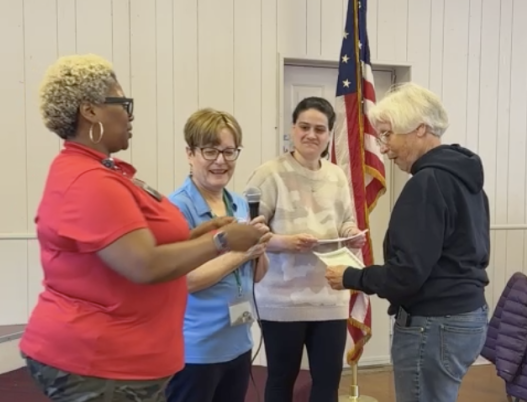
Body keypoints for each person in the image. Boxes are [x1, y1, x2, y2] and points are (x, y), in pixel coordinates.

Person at [19, 54, 269, 402]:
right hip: (99, 360)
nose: (130, 114)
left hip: (129, 357)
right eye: (122, 103)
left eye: (230, 152)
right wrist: (222, 240)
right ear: (90, 111)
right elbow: (143, 263)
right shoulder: (88, 180)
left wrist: (201, 233)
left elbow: (145, 244)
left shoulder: (105, 171)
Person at [325, 82, 490, 402]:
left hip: (433, 324)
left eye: (387, 134)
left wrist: (351, 276)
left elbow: (406, 275)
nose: (384, 147)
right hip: (468, 316)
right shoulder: (466, 179)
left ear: (420, 129)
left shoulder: (428, 183)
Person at [244, 96, 365, 402]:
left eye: (320, 129)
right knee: (281, 380)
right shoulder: (269, 173)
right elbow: (246, 235)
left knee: (327, 384)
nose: (311, 134)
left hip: (329, 294)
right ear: (292, 129)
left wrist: (352, 235)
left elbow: (346, 222)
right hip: (281, 297)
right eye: (304, 127)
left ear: (329, 135)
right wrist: (287, 242)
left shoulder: (337, 175)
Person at [165, 108, 270, 402]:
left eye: (229, 151)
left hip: (237, 341)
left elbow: (258, 276)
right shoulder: (176, 210)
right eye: (210, 151)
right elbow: (186, 280)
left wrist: (260, 245)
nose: (221, 161)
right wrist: (241, 252)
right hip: (195, 349)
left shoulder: (239, 203)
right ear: (190, 153)